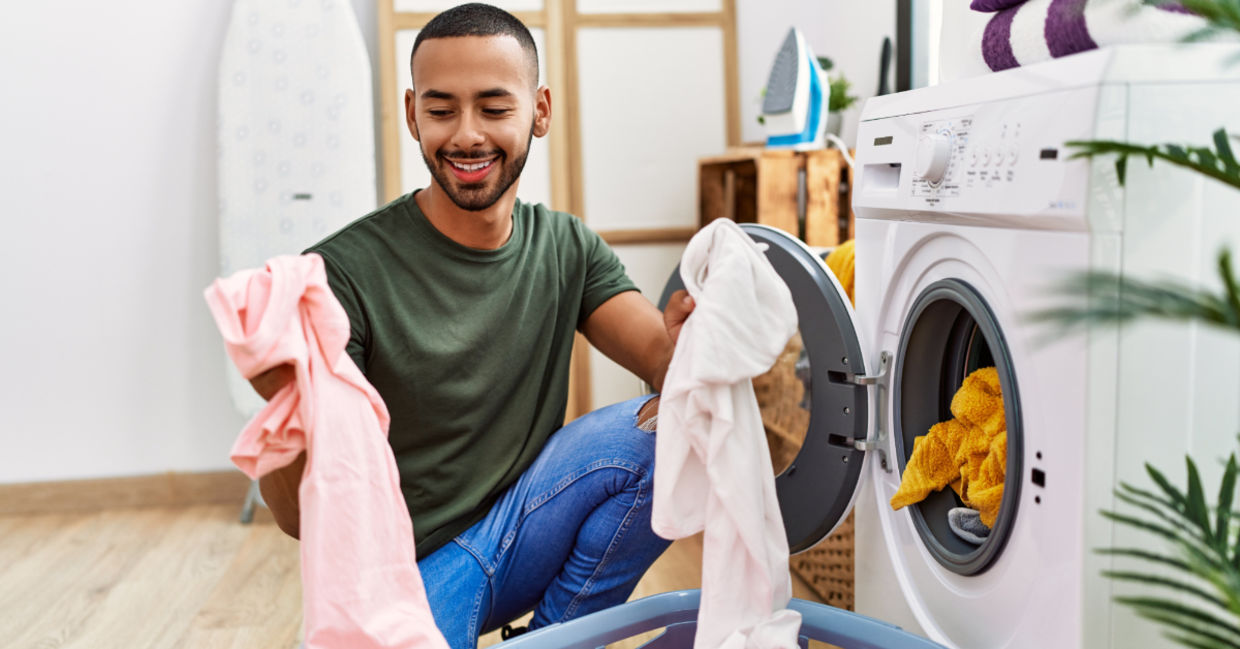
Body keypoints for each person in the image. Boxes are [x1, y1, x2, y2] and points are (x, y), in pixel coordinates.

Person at [246, 4, 695, 648]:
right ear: (412, 115)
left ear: (539, 110)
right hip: (409, 570)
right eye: (441, 110)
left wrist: (689, 351)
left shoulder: (567, 248)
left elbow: (662, 360)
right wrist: (289, 408)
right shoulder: (339, 275)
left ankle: (553, 640)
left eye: (493, 107)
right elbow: (296, 520)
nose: (466, 136)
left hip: (524, 525)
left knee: (673, 429)